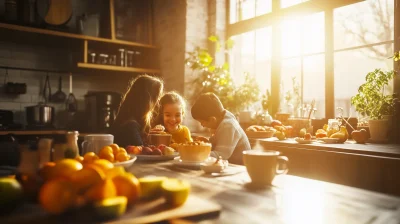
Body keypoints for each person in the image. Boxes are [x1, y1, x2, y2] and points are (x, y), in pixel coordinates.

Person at [191, 92, 251, 164]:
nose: (202, 125)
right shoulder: (221, 120)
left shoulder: (228, 126)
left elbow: (221, 155)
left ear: (212, 119)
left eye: (202, 122)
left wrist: (194, 154)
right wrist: (208, 143)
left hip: (240, 168)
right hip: (229, 165)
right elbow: (220, 144)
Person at [112, 74, 163, 147]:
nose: (158, 102)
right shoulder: (131, 126)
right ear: (147, 100)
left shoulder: (130, 122)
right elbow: (142, 153)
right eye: (156, 97)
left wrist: (148, 135)